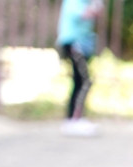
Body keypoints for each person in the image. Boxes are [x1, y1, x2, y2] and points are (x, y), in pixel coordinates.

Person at [55, 0, 102, 136]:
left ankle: (75, 119)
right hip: (74, 44)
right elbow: (84, 14)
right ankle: (73, 120)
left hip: (80, 44)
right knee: (83, 81)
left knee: (80, 82)